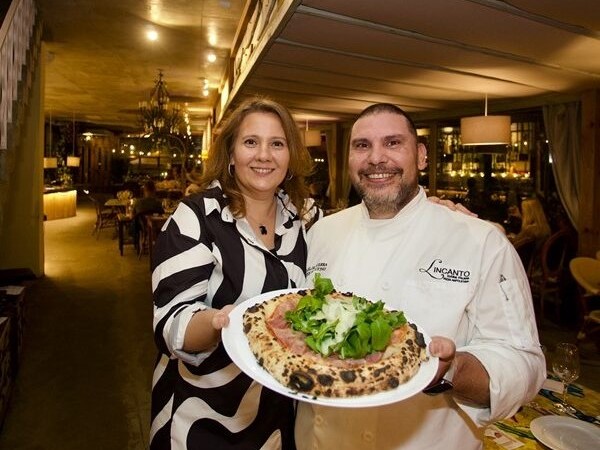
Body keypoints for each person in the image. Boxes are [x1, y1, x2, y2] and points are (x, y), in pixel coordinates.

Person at [296, 103, 546, 450]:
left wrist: (452, 369)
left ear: (422, 156)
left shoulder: (480, 240)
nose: (376, 159)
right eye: (362, 145)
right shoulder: (322, 232)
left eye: (393, 143)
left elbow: (524, 361)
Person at [149, 97, 320, 450]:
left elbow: (362, 232)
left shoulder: (306, 217)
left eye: (277, 143)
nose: (264, 155)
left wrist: (435, 209)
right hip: (204, 416)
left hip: (281, 413)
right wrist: (216, 322)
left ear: (290, 157)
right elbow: (171, 325)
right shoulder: (195, 218)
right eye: (250, 142)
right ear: (230, 154)